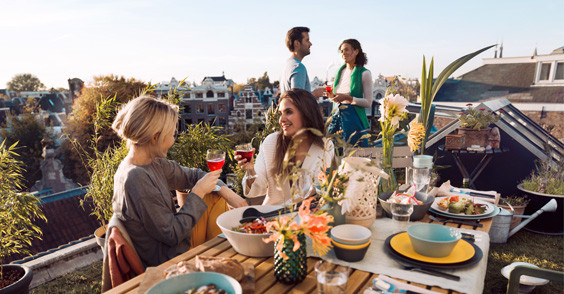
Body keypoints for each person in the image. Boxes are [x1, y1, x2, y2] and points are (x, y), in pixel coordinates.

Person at [111, 96, 247, 267]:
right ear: (155, 138)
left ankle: (227, 256)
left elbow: (194, 175)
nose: (174, 140)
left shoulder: (153, 163)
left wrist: (226, 192)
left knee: (216, 198)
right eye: (172, 134)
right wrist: (198, 191)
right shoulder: (135, 177)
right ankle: (227, 259)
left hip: (177, 245)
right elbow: (172, 234)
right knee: (212, 201)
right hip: (170, 261)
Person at [236, 88, 335, 205]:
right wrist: (250, 169)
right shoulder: (271, 142)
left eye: (289, 112)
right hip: (272, 216)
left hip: (308, 218)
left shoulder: (325, 146)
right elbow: (257, 190)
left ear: (306, 113)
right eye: (280, 114)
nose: (281, 119)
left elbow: (323, 191)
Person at [327, 39, 373, 147]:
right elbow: (335, 98)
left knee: (355, 157)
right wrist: (331, 96)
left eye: (346, 50)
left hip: (353, 121)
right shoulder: (339, 72)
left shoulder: (364, 73)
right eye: (342, 51)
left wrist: (348, 98)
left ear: (356, 51)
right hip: (336, 119)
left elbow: (368, 102)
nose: (343, 53)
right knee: (334, 155)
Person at [280, 26, 324, 98]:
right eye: (307, 40)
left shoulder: (287, 65)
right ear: (297, 43)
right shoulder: (298, 67)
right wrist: (315, 94)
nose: (310, 44)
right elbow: (297, 99)